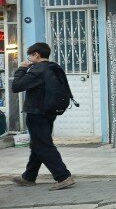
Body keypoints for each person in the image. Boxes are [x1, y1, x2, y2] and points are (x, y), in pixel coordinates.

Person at [11, 42, 75, 190]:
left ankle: (63, 176)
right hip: (50, 111)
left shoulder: (37, 70)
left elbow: (16, 86)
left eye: (30, 55)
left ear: (36, 55)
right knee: (38, 143)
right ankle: (29, 177)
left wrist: (22, 68)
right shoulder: (54, 67)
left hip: (37, 112)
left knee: (43, 145)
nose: (29, 58)